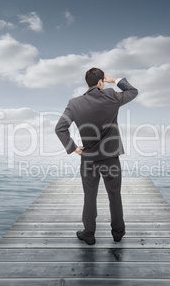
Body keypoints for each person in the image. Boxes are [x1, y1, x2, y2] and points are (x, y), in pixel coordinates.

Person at [55, 67, 138, 245]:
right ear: (101, 82)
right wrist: (114, 80)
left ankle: (89, 234)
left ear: (88, 83)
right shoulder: (110, 96)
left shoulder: (75, 103)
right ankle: (118, 233)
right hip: (111, 157)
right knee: (114, 194)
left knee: (89, 196)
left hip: (89, 158)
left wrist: (73, 147)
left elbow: (60, 128)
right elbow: (133, 91)